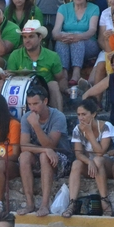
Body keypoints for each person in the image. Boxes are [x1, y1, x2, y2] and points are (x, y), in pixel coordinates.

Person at [18, 87, 70, 217]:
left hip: (61, 158)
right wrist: (45, 150)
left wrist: (36, 126)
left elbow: (51, 144)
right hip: (42, 154)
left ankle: (45, 204)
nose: (32, 108)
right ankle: (30, 203)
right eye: (29, 104)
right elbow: (23, 146)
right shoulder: (26, 117)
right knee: (24, 156)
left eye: (35, 104)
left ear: (45, 101)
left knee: (44, 156)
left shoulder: (58, 117)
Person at [63, 98, 114, 218]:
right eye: (78, 115)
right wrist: (89, 161)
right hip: (92, 165)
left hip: (109, 164)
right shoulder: (77, 129)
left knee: (98, 160)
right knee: (76, 163)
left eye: (84, 114)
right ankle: (72, 203)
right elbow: (78, 153)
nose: (81, 118)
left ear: (93, 114)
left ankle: (105, 201)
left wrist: (90, 134)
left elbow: (101, 152)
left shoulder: (106, 126)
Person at [2, 19, 67, 111]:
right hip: (21, 91)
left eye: (31, 37)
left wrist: (65, 90)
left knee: (53, 85)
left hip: (45, 93)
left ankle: (59, 119)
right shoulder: (15, 55)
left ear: (40, 37)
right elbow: (10, 78)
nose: (27, 40)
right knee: (1, 83)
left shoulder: (52, 56)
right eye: (24, 37)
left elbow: (60, 78)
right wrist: (6, 75)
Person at [53, 0, 100, 87]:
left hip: (88, 43)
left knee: (77, 41)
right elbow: (55, 32)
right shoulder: (63, 8)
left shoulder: (94, 8)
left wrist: (77, 36)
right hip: (66, 41)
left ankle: (76, 73)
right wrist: (63, 36)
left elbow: (92, 30)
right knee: (61, 42)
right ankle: (64, 73)